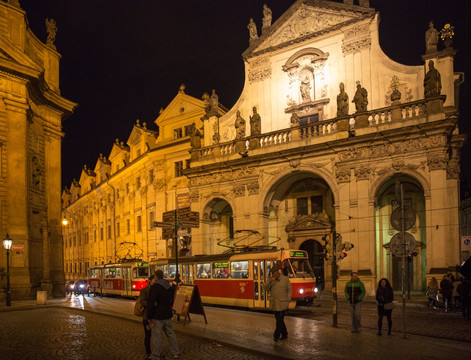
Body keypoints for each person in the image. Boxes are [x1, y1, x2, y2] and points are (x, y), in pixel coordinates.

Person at [147, 269, 180, 359]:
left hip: (157, 315)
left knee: (157, 336)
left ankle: (155, 355)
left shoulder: (155, 287)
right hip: (167, 314)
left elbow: (151, 302)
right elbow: (171, 299)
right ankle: (176, 352)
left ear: (156, 277)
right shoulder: (168, 286)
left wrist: (149, 316)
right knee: (171, 333)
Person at [263, 263, 292, 342]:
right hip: (274, 303)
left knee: (279, 320)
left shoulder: (285, 279)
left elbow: (289, 290)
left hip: (283, 303)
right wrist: (270, 281)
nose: (274, 274)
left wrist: (288, 299)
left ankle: (276, 335)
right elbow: (265, 288)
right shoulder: (271, 280)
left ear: (278, 272)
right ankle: (285, 334)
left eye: (275, 273)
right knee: (279, 320)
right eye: (272, 273)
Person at [139, 274, 156, 360]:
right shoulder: (144, 290)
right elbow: (142, 302)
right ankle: (148, 352)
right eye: (154, 280)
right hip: (146, 317)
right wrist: (151, 304)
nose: (155, 281)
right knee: (148, 335)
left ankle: (155, 352)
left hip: (155, 317)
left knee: (156, 335)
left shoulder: (156, 290)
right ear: (150, 280)